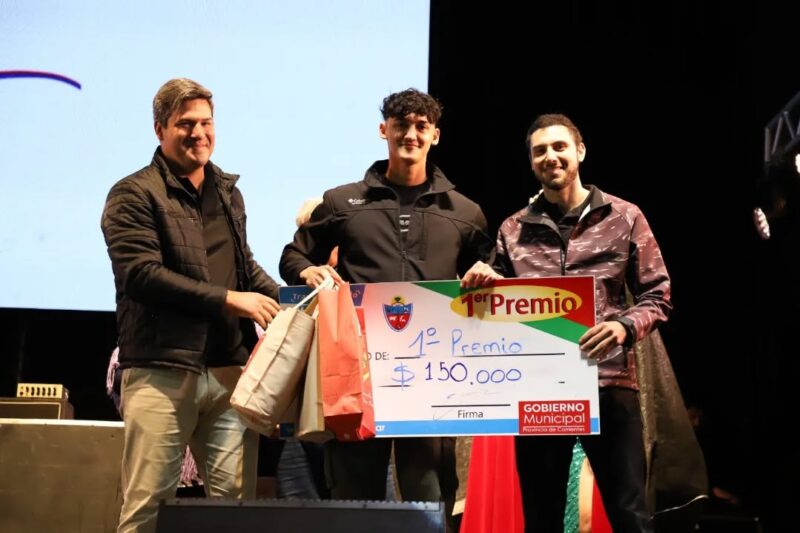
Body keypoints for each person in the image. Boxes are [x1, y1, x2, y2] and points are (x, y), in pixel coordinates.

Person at [279, 88, 494, 530]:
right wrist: (307, 271)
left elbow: (494, 271)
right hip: (356, 376)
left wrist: (487, 273)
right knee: (353, 501)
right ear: (384, 130)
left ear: (435, 135)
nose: (410, 134)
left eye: (420, 126)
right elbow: (292, 256)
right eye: (401, 125)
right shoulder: (342, 202)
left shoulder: (465, 212)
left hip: (433, 378)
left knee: (429, 502)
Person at [462, 113, 672, 532]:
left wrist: (623, 327)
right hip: (539, 392)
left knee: (629, 514)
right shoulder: (512, 229)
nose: (550, 157)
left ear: (580, 151)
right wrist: (482, 280)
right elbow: (492, 304)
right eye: (539, 150)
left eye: (559, 147)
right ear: (531, 161)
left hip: (608, 384)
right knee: (541, 517)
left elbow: (658, 294)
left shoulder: (624, 216)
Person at [101, 78, 281, 533]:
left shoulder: (228, 191)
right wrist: (229, 300)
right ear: (160, 129)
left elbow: (244, 267)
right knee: (147, 511)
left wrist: (301, 300)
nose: (198, 133)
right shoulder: (133, 193)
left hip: (230, 374)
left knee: (235, 515)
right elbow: (142, 274)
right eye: (185, 124)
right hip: (161, 370)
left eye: (206, 122)